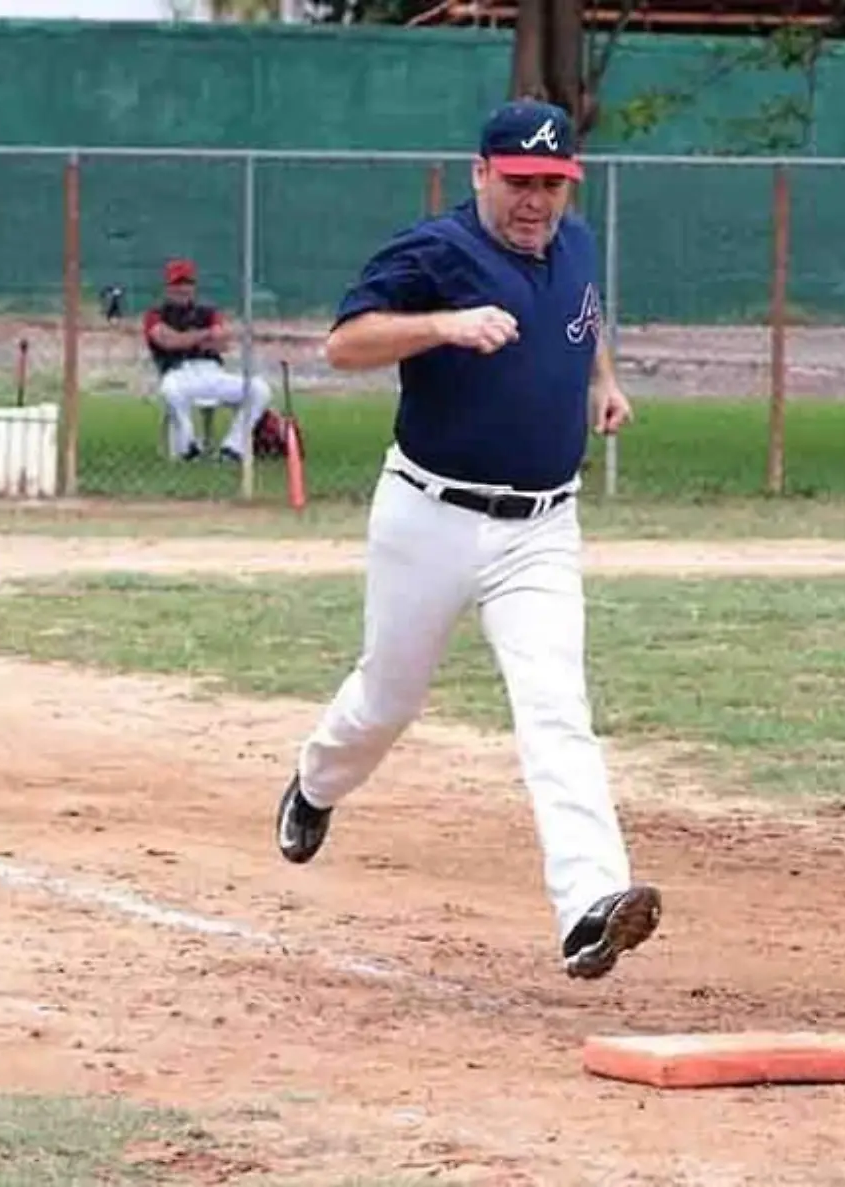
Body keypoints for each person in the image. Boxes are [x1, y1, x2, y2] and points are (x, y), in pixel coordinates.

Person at [274, 98, 660, 982]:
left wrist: (602, 382)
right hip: (428, 516)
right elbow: (343, 346)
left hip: (544, 526)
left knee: (557, 709)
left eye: (552, 183)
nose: (536, 201)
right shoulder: (436, 253)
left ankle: (591, 906)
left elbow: (585, 316)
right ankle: (318, 780)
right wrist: (443, 325)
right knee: (387, 697)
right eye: (519, 181)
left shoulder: (578, 243)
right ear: (481, 173)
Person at [142, 257, 274, 461]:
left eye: (187, 283)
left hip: (211, 371)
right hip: (178, 373)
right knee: (171, 390)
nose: (183, 289)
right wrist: (203, 336)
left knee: (259, 390)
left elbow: (222, 342)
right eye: (177, 283)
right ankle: (187, 446)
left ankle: (233, 447)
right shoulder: (156, 314)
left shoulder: (207, 312)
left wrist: (186, 339)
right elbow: (166, 340)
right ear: (168, 287)